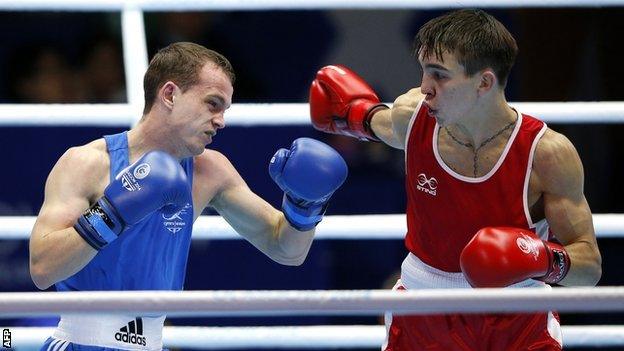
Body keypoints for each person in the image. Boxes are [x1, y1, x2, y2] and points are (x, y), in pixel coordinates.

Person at [309, 9, 602, 350]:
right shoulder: (413, 116)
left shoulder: (546, 154)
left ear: (484, 82)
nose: (424, 88)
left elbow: (590, 266)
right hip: (424, 307)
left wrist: (540, 258)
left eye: (439, 75)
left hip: (518, 315)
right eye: (424, 71)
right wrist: (352, 113)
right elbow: (371, 121)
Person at [29, 41, 348, 350]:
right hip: (80, 342)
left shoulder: (210, 171)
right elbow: (43, 269)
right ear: (169, 94)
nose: (221, 121)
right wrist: (110, 215)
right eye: (213, 104)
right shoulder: (87, 163)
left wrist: (304, 207)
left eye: (225, 110)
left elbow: (286, 249)